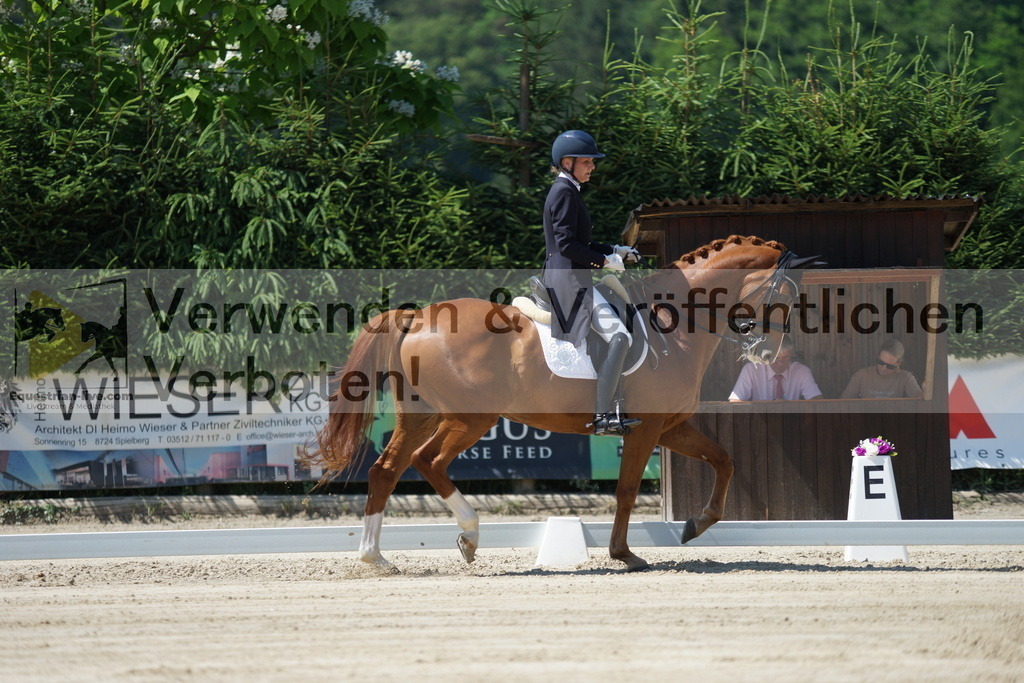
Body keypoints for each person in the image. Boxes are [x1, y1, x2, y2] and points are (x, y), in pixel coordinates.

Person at [541, 129, 640, 436]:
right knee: (621, 337)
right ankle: (603, 416)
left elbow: (579, 241)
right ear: (567, 162)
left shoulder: (569, 190)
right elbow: (567, 246)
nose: (593, 167)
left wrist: (613, 250)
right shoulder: (563, 192)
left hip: (570, 275)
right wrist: (605, 262)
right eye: (587, 162)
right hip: (568, 280)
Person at [728, 339, 823, 401]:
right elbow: (735, 401)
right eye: (776, 358)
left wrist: (792, 407)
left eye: (785, 358)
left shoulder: (801, 371)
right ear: (767, 356)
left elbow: (817, 400)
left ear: (791, 356)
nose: (780, 362)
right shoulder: (752, 369)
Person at [841, 338, 923, 399]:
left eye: (890, 366)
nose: (884, 368)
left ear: (898, 363)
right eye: (881, 362)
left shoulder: (905, 378)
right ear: (878, 357)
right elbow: (843, 403)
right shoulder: (862, 375)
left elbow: (920, 402)